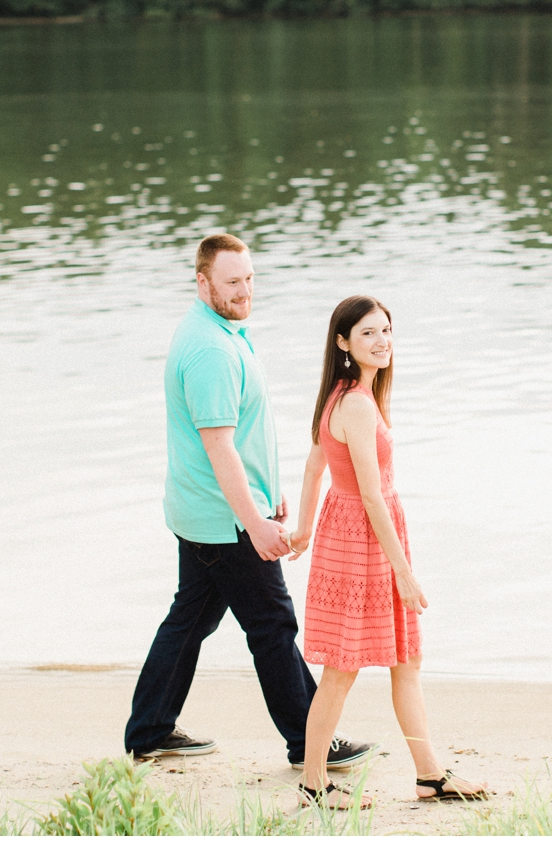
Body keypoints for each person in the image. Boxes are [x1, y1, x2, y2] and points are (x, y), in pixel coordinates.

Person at [123, 234, 377, 773]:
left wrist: (268, 488)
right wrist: (255, 520)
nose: (244, 291)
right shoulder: (213, 348)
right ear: (203, 282)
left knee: (190, 618)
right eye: (232, 282)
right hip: (224, 519)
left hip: (203, 509)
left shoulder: (218, 329)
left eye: (249, 278)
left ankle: (149, 729)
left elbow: (235, 435)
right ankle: (309, 740)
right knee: (272, 626)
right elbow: (218, 445)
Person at [288, 295, 489, 808]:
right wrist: (404, 572)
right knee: (341, 669)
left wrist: (306, 529)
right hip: (363, 542)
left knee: (407, 660)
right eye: (368, 335)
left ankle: (430, 776)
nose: (382, 342)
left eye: (386, 331)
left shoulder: (341, 393)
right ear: (343, 343)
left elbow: (315, 467)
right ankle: (314, 784)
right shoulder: (354, 402)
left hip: (354, 532)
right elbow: (371, 495)